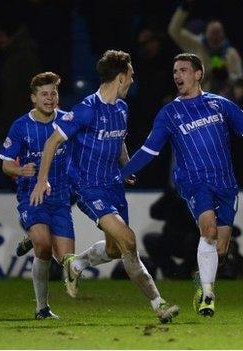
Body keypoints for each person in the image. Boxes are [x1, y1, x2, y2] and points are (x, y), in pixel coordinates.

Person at [120, 53, 243, 317]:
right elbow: (149, 150)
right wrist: (122, 173)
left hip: (225, 183)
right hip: (194, 182)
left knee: (221, 250)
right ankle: (208, 297)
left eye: (183, 70)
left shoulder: (220, 105)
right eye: (175, 71)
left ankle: (201, 281)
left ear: (198, 74)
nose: (177, 76)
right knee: (209, 230)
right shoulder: (170, 113)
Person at [30, 50, 179, 324]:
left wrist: (127, 166)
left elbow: (119, 139)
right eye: (131, 76)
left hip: (114, 186)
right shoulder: (85, 109)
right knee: (129, 242)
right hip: (89, 188)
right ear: (121, 78)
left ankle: (78, 263)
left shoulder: (122, 109)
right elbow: (52, 142)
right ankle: (159, 304)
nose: (133, 81)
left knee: (114, 250)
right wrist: (43, 179)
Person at [0, 72, 73, 319]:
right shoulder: (21, 126)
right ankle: (42, 308)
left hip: (61, 197)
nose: (50, 99)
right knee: (43, 245)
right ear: (33, 98)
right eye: (44, 94)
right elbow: (6, 163)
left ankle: (33, 235)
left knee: (67, 260)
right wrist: (20, 170)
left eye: (53, 93)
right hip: (32, 195)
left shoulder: (67, 121)